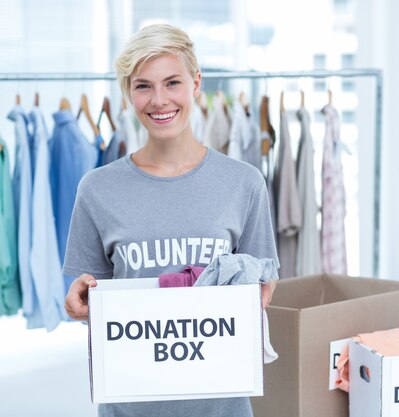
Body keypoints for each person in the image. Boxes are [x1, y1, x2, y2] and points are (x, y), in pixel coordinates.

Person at [63, 23, 278, 417]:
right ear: (128, 92)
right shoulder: (96, 189)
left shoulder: (244, 183)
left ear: (196, 83)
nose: (159, 100)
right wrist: (79, 304)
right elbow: (91, 299)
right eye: (143, 86)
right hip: (128, 406)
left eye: (172, 82)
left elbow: (263, 280)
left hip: (222, 405)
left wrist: (257, 296)